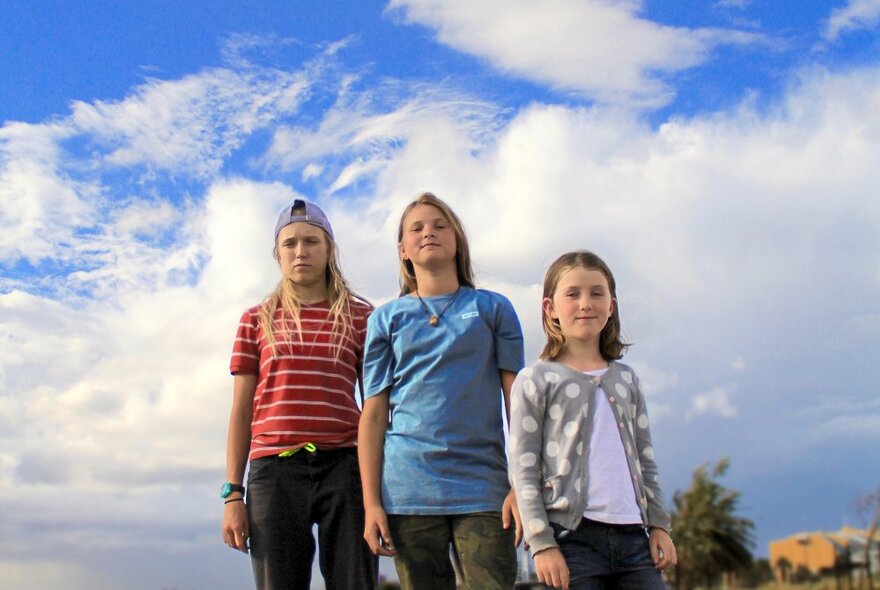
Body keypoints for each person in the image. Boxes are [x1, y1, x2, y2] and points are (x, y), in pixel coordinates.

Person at [358, 192, 525, 589]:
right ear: (403, 249)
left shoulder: (493, 308)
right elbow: (374, 415)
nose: (428, 232)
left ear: (457, 240)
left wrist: (522, 484)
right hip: (407, 491)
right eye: (416, 228)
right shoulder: (386, 319)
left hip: (485, 489)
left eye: (439, 225)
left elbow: (517, 404)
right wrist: (371, 503)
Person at [221, 199, 377, 590]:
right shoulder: (256, 319)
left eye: (311, 241)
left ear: (329, 250)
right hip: (274, 470)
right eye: (290, 244)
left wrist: (379, 489)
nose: (301, 252)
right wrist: (232, 494)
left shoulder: (361, 317)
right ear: (278, 254)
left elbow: (375, 406)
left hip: (345, 467)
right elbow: (241, 412)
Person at [508, 251, 677, 590]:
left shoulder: (627, 379)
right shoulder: (536, 380)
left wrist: (659, 525)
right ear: (550, 308)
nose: (586, 303)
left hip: (634, 541)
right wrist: (542, 543)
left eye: (596, 293)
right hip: (571, 539)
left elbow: (646, 461)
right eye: (573, 294)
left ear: (611, 306)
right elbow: (524, 468)